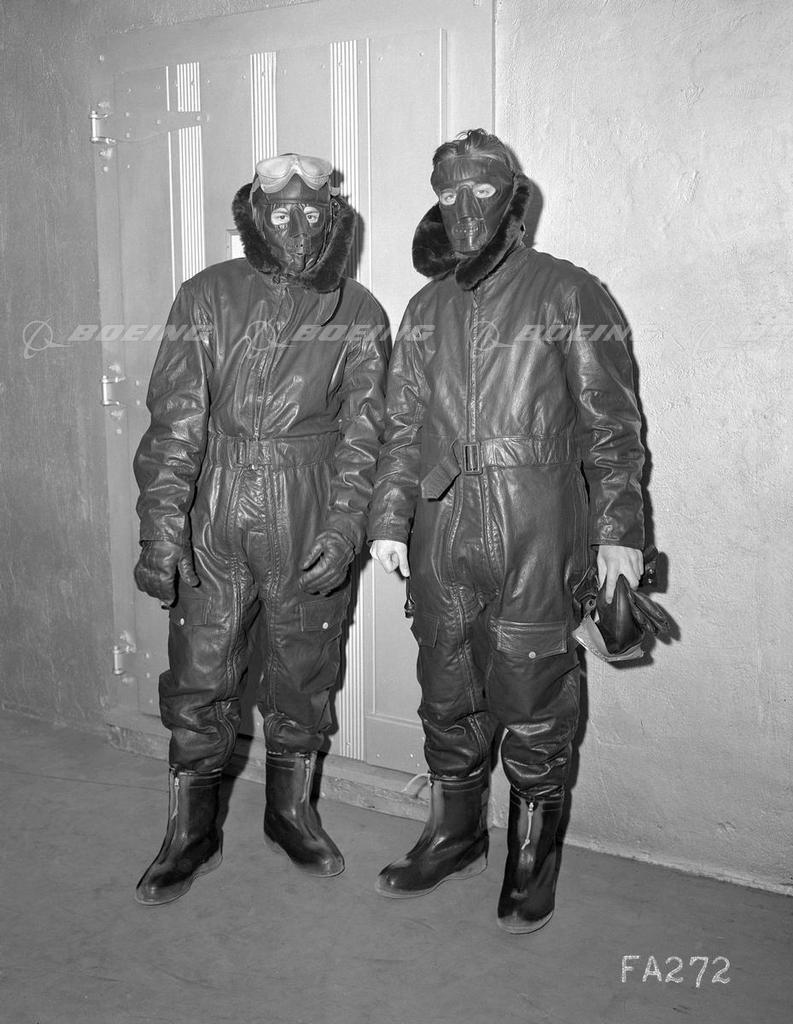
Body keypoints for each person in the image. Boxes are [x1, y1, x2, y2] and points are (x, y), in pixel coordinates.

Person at [368, 129, 645, 933]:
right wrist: (389, 520)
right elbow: (401, 427)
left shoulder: (568, 292)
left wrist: (618, 535)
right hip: (440, 529)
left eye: (482, 189)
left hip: (538, 528)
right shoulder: (425, 307)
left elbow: (611, 429)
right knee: (445, 686)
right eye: (447, 191)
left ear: (512, 197)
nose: (463, 206)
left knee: (534, 692)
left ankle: (531, 858)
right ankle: (455, 835)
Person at [132, 153, 389, 905]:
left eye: (312, 211)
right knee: (199, 673)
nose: (297, 226)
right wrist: (162, 527)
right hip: (214, 507)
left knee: (303, 672)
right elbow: (175, 422)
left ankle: (290, 814)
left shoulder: (358, 311)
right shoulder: (206, 295)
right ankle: (190, 833)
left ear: (333, 217)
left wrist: (345, 526)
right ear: (254, 215)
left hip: (307, 503)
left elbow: (365, 434)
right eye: (280, 211)